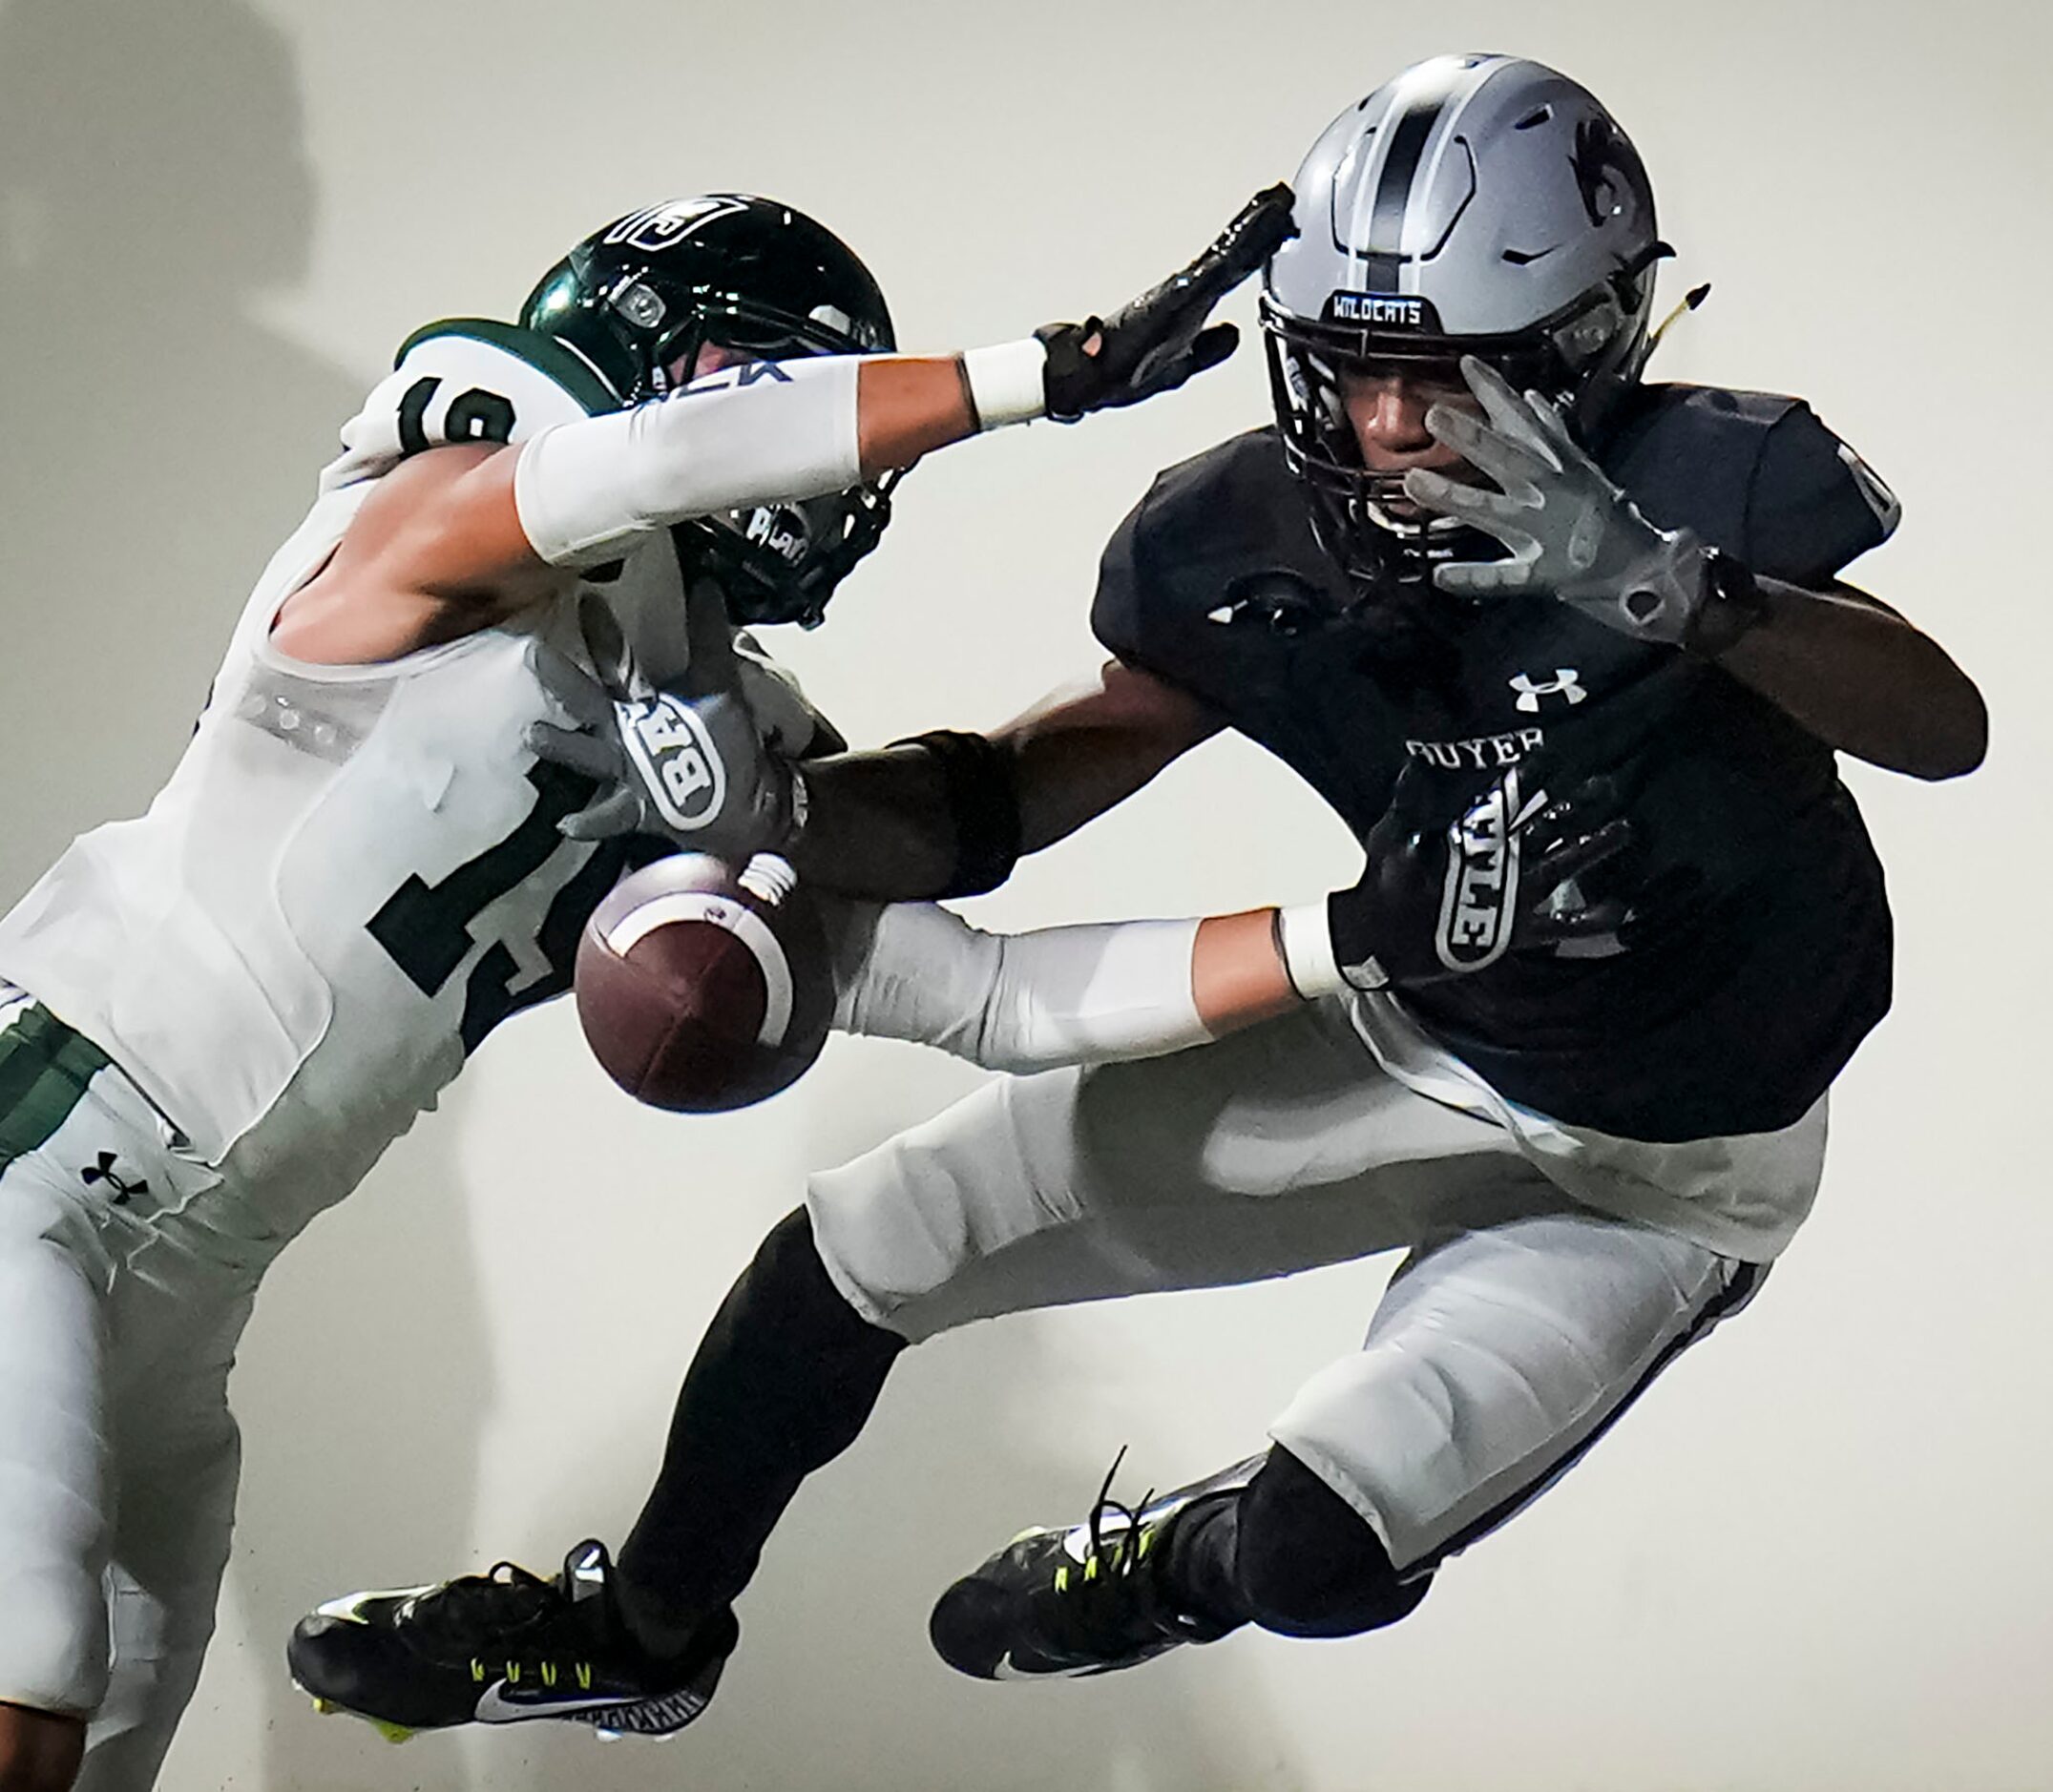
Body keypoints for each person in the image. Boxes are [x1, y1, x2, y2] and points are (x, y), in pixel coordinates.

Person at [288, 49, 1987, 1747]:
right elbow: (1036, 776)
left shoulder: (1706, 487)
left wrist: (1665, 588)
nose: (1389, 428)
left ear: (1585, 355)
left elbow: (1943, 725)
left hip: (1675, 1165)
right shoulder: (1245, 530)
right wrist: (788, 810)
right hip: (1416, 1033)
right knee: (860, 1244)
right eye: (1351, 370)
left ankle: (1168, 1561)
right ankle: (645, 1623)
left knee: (1322, 1554)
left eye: (1445, 380)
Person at [0, 183, 1289, 1792]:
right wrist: (1033, 373)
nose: (845, 459)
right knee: (30, 1663)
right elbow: (649, 464)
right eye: (786, 384)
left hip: (192, 1301)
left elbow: (996, 979)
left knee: (94, 1743)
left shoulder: (697, 745)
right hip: (39, 1160)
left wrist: (1338, 908)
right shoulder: (432, 514)